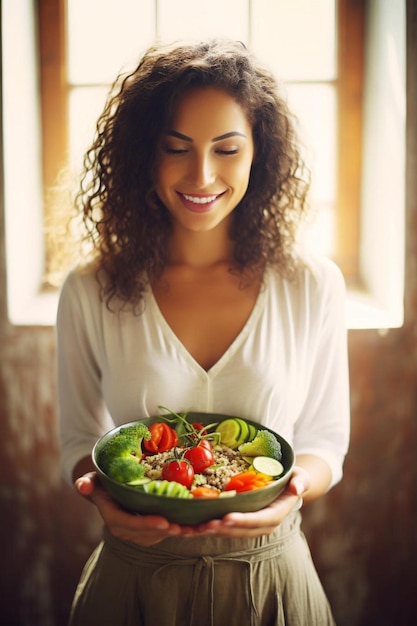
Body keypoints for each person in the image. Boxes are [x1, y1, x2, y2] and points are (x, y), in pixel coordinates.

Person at [56, 39, 350, 626]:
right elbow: (77, 442)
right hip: (134, 582)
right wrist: (103, 498)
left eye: (227, 148)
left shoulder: (311, 283)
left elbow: (326, 440)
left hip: (271, 578)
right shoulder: (91, 288)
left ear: (257, 155)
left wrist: (290, 494)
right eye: (176, 148)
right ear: (145, 155)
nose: (202, 174)